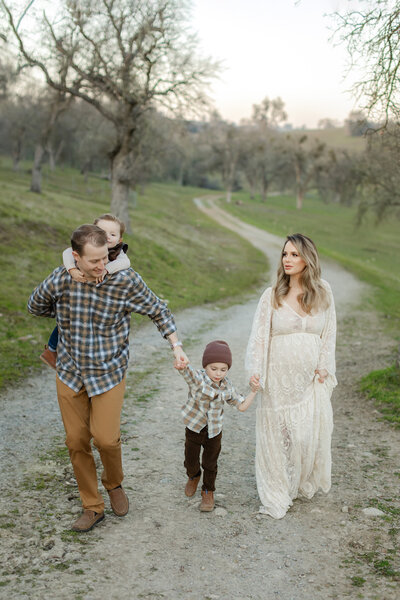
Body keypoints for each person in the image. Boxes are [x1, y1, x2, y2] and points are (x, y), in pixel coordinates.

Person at [28, 224, 188, 532]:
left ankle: (114, 483)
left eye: (105, 258)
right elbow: (35, 305)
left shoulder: (124, 281)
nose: (102, 267)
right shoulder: (62, 278)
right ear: (75, 257)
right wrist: (63, 292)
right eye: (94, 261)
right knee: (76, 441)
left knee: (106, 438)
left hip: (108, 372)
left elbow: (159, 311)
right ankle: (92, 506)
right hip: (71, 371)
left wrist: (176, 347)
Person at [246, 233, 337, 519]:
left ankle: (297, 480)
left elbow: (329, 333)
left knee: (306, 434)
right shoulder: (271, 295)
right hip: (278, 377)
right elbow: (259, 337)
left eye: (295, 254)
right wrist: (255, 371)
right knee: (278, 434)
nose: (288, 259)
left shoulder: (324, 292)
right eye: (285, 254)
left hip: (310, 379)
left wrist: (324, 365)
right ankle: (277, 489)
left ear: (307, 259)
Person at [176, 340, 260, 512]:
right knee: (190, 459)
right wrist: (181, 361)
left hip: (214, 431)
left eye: (223, 369)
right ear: (206, 365)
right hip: (194, 426)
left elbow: (242, 406)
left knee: (210, 463)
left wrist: (253, 391)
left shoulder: (227, 387)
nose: (218, 373)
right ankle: (193, 475)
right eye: (213, 368)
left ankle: (208, 491)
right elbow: (186, 371)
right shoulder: (198, 379)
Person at [40, 213, 130, 370]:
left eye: (113, 234)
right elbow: (67, 253)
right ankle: (52, 350)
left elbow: (125, 262)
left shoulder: (118, 253)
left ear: (120, 240)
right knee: (67, 320)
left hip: (101, 294)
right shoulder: (84, 247)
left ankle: (98, 359)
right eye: (102, 232)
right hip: (78, 288)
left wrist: (106, 270)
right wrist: (72, 269)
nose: (107, 237)